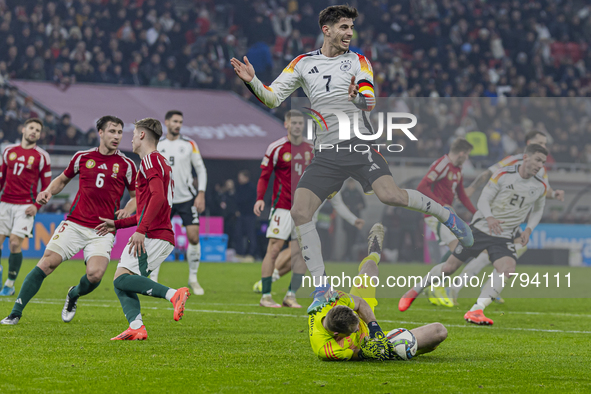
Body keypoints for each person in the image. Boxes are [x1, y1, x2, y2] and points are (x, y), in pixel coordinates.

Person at [231, 5, 473, 314]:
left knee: (391, 196)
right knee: (301, 211)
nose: (349, 33)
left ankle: (447, 216)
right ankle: (321, 289)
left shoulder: (358, 61)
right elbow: (272, 97)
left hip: (359, 145)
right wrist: (252, 81)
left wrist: (358, 97)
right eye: (344, 27)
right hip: (327, 153)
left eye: (351, 28)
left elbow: (369, 100)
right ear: (327, 30)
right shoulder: (302, 64)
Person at [0, 116, 137, 325]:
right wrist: (47, 192)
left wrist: (127, 209)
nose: (116, 136)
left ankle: (73, 294)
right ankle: (15, 312)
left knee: (95, 276)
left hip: (103, 229)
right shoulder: (83, 157)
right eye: (112, 131)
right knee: (46, 263)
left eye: (119, 132)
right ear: (100, 132)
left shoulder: (126, 164)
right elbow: (63, 179)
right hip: (74, 224)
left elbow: (136, 197)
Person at [399, 144, 549, 325]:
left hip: (504, 235)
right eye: (538, 160)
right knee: (449, 268)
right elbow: (484, 199)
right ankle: (415, 290)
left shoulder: (540, 185)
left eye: (543, 162)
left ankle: (477, 309)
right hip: (481, 228)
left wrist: (528, 229)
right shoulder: (503, 174)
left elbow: (538, 211)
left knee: (507, 268)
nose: (540, 165)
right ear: (526, 157)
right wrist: (490, 217)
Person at [442, 130, 565, 305]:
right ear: (529, 143)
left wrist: (555, 193)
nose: (545, 147)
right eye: (541, 143)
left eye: (545, 144)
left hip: (513, 221)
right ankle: (460, 286)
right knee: (487, 255)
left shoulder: (540, 166)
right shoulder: (513, 160)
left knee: (514, 251)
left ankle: (488, 287)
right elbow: (488, 173)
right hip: (494, 218)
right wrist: (471, 188)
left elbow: (541, 192)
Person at [96, 118, 190, 340]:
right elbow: (146, 208)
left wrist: (141, 230)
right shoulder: (160, 162)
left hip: (154, 234)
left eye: (132, 133)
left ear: (141, 135)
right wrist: (117, 224)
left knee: (121, 279)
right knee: (122, 279)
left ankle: (173, 294)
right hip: (155, 232)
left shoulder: (150, 161)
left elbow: (157, 197)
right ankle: (136, 326)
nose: (129, 139)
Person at [309, 223, 448, 361]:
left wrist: (373, 326)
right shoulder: (326, 350)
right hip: (366, 343)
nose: (358, 329)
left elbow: (360, 303)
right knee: (439, 332)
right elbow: (359, 354)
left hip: (364, 321)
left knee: (370, 266)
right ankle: (404, 350)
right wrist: (373, 351)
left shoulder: (332, 299)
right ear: (336, 333)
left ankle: (374, 253)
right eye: (354, 329)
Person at [253, 109, 313, 308]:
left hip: (304, 211)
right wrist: (260, 198)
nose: (297, 126)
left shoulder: (311, 148)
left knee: (303, 253)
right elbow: (264, 176)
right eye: (293, 123)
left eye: (300, 123)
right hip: (282, 208)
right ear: (286, 124)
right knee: (274, 250)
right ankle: (266, 296)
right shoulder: (276, 147)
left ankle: (290, 295)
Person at [152, 110, 207, 296]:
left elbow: (201, 170)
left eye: (180, 122)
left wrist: (201, 194)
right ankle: (153, 276)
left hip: (187, 198)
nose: (178, 125)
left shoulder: (189, 144)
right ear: (167, 122)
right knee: (158, 237)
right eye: (175, 121)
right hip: (164, 199)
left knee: (193, 237)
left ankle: (193, 278)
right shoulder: (158, 145)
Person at [416, 138, 476, 306]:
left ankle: (434, 285)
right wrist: (442, 205)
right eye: (467, 155)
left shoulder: (457, 169)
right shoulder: (442, 164)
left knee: (460, 249)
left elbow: (462, 194)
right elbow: (422, 187)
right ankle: (438, 287)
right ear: (462, 153)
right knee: (459, 247)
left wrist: (477, 213)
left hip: (446, 215)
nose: (467, 158)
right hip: (436, 214)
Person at [0, 118, 51, 296]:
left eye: (37, 130)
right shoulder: (8, 151)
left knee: (14, 243)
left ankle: (10, 283)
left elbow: (47, 187)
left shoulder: (42, 156)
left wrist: (37, 206)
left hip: (25, 206)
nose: (34, 132)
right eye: (31, 128)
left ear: (40, 134)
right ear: (23, 129)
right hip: (4, 203)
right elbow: (1, 178)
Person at [234, 170, 257, 259]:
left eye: (241, 177)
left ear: (246, 178)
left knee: (250, 235)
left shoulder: (251, 188)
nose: (239, 179)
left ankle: (251, 254)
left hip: (250, 215)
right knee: (238, 233)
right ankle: (239, 253)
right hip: (241, 215)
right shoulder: (239, 188)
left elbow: (245, 200)